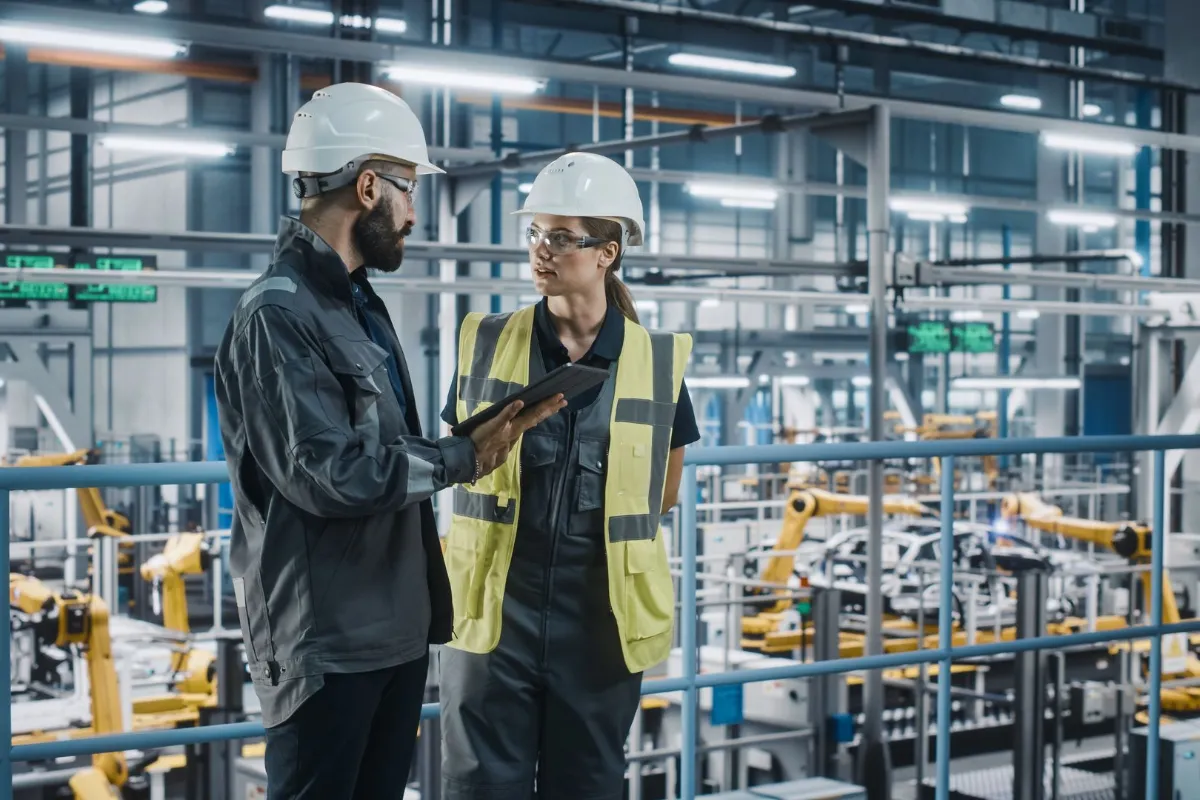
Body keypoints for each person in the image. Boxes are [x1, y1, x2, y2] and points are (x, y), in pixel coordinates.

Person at [212, 82, 563, 800]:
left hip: (393, 628)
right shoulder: (277, 315)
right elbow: (327, 473)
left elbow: (379, 450)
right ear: (369, 186)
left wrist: (470, 442)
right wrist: (463, 456)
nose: (413, 214)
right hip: (326, 641)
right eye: (409, 190)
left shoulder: (359, 305)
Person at [438, 152, 700, 800]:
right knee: (480, 786)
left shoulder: (655, 361)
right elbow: (455, 458)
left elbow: (664, 492)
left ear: (607, 252)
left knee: (586, 785)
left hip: (600, 623)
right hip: (494, 613)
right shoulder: (486, 341)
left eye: (560, 237)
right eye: (535, 234)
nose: (541, 250)